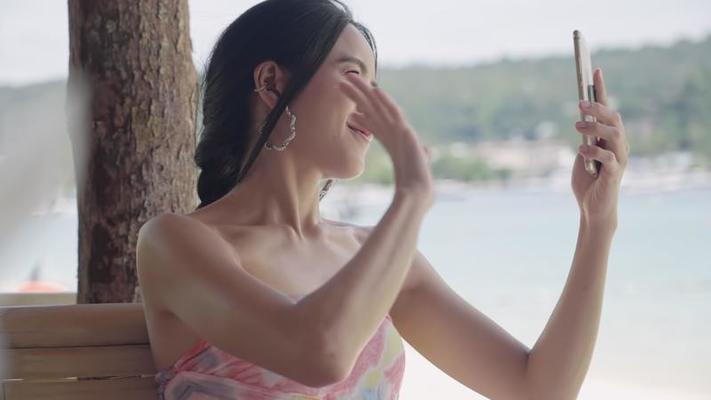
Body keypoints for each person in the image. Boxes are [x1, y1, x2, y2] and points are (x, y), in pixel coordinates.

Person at [136, 0, 630, 399]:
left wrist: (597, 223)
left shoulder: (369, 253)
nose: (377, 106)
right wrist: (412, 196)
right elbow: (319, 353)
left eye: (377, 85)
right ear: (271, 83)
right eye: (355, 78)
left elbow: (538, 390)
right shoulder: (176, 244)